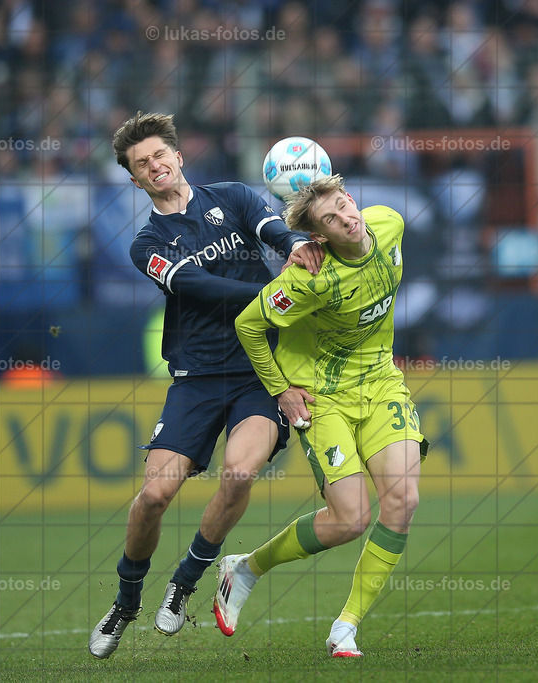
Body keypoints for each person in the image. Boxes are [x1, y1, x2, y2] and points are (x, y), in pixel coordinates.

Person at [89, 112, 323, 659]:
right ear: (134, 179)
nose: (154, 166)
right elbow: (193, 283)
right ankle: (126, 601)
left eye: (159, 155)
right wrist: (270, 297)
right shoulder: (146, 243)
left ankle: (184, 583)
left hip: (259, 371)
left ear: (177, 155)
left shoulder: (237, 196)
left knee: (239, 473)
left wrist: (293, 246)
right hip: (195, 378)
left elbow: (272, 229)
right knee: (153, 496)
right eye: (141, 164)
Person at [214, 174, 428, 658]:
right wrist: (281, 391)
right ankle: (246, 568)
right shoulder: (309, 278)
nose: (346, 218)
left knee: (404, 500)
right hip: (323, 397)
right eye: (331, 219)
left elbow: (374, 225)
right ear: (319, 238)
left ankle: (345, 626)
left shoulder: (389, 224)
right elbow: (248, 325)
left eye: (345, 205)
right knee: (351, 520)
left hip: (380, 382)